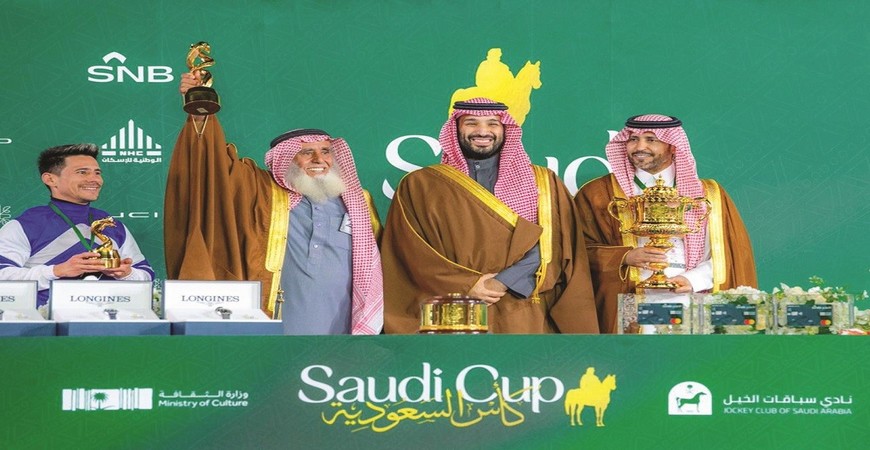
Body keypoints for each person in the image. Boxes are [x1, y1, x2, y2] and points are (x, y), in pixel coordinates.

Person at [166, 71, 383, 335]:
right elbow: (213, 168)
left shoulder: (359, 202)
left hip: (346, 333)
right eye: (306, 152)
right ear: (286, 158)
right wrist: (201, 111)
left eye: (326, 151)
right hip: (276, 328)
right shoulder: (259, 191)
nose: (319, 159)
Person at [381, 98, 599, 334]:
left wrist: (502, 282)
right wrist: (467, 284)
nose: (483, 131)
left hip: (521, 308)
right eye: (471, 123)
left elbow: (555, 244)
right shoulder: (421, 184)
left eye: (493, 123)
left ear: (505, 129)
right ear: (455, 129)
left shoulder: (543, 181)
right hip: (452, 308)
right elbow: (410, 252)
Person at [574, 114, 757, 333]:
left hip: (693, 300)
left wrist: (693, 279)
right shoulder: (599, 193)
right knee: (637, 354)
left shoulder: (708, 194)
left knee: (689, 355)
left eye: (651, 139)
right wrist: (625, 257)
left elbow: (730, 255)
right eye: (633, 139)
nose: (640, 147)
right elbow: (576, 253)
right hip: (629, 304)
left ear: (672, 145)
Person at [0, 144, 154, 311]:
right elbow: (3, 276)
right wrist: (57, 271)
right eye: (82, 172)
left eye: (97, 173)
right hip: (46, 322)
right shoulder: (25, 225)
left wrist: (126, 273)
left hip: (111, 319)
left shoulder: (112, 224)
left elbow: (146, 274)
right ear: (50, 179)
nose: (95, 180)